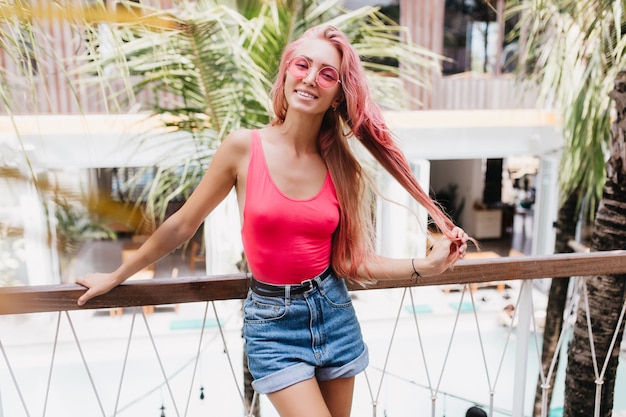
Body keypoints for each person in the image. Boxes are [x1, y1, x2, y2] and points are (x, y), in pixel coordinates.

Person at [76, 24, 470, 417]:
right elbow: (182, 225)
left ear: (337, 97)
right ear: (286, 72)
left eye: (327, 74)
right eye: (303, 65)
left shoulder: (341, 167)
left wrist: (426, 265)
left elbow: (353, 263)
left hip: (333, 311)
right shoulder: (243, 148)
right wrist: (116, 275)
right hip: (273, 325)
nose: (311, 79)